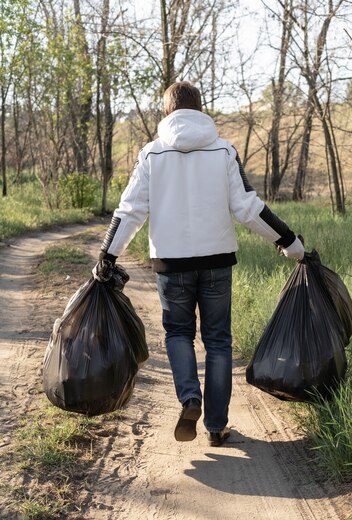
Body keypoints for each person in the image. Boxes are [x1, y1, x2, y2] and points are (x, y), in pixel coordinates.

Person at [94, 81, 304, 447]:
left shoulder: (151, 154)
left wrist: (107, 256)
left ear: (166, 112)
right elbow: (247, 208)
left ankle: (190, 399)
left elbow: (130, 211)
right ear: (200, 108)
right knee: (219, 340)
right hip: (216, 262)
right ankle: (217, 425)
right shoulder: (224, 151)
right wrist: (288, 241)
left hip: (170, 266)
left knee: (178, 334)